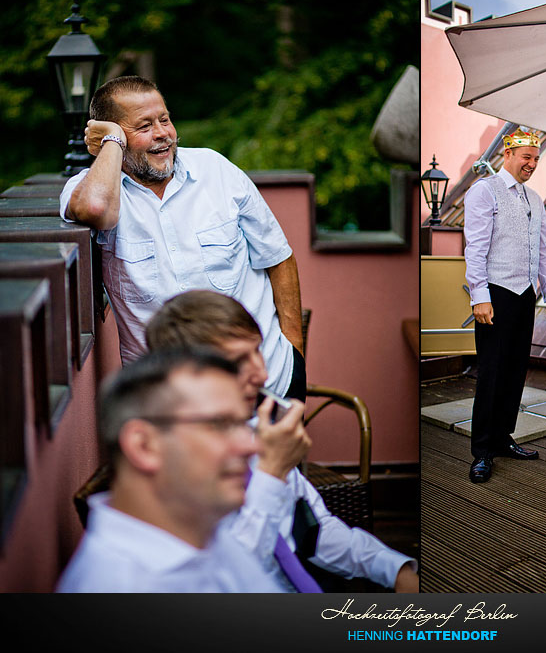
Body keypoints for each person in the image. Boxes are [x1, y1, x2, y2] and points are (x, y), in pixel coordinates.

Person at [145, 289, 419, 592]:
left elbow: (317, 531)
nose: (262, 375)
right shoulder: (170, 474)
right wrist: (271, 473)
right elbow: (229, 581)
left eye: (257, 351)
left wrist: (395, 569)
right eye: (238, 362)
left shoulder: (257, 433)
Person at [58, 75, 305, 401]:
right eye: (144, 126)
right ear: (110, 137)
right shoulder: (91, 187)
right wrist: (113, 142)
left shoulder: (216, 170)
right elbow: (93, 207)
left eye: (165, 119)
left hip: (265, 381)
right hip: (170, 403)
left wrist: (295, 351)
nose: (163, 133)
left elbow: (278, 257)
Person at [57, 348, 307, 592]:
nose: (250, 447)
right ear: (143, 445)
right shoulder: (120, 584)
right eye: (219, 424)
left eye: (242, 424)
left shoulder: (201, 531)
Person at [463, 128, 546, 483]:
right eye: (527, 157)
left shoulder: (535, 199)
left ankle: (503, 438)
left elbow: (544, 249)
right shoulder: (483, 191)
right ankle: (482, 451)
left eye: (536, 159)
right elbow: (474, 248)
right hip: (496, 293)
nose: (532, 164)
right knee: (490, 371)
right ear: (507, 155)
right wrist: (480, 297)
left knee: (515, 369)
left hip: (525, 295)